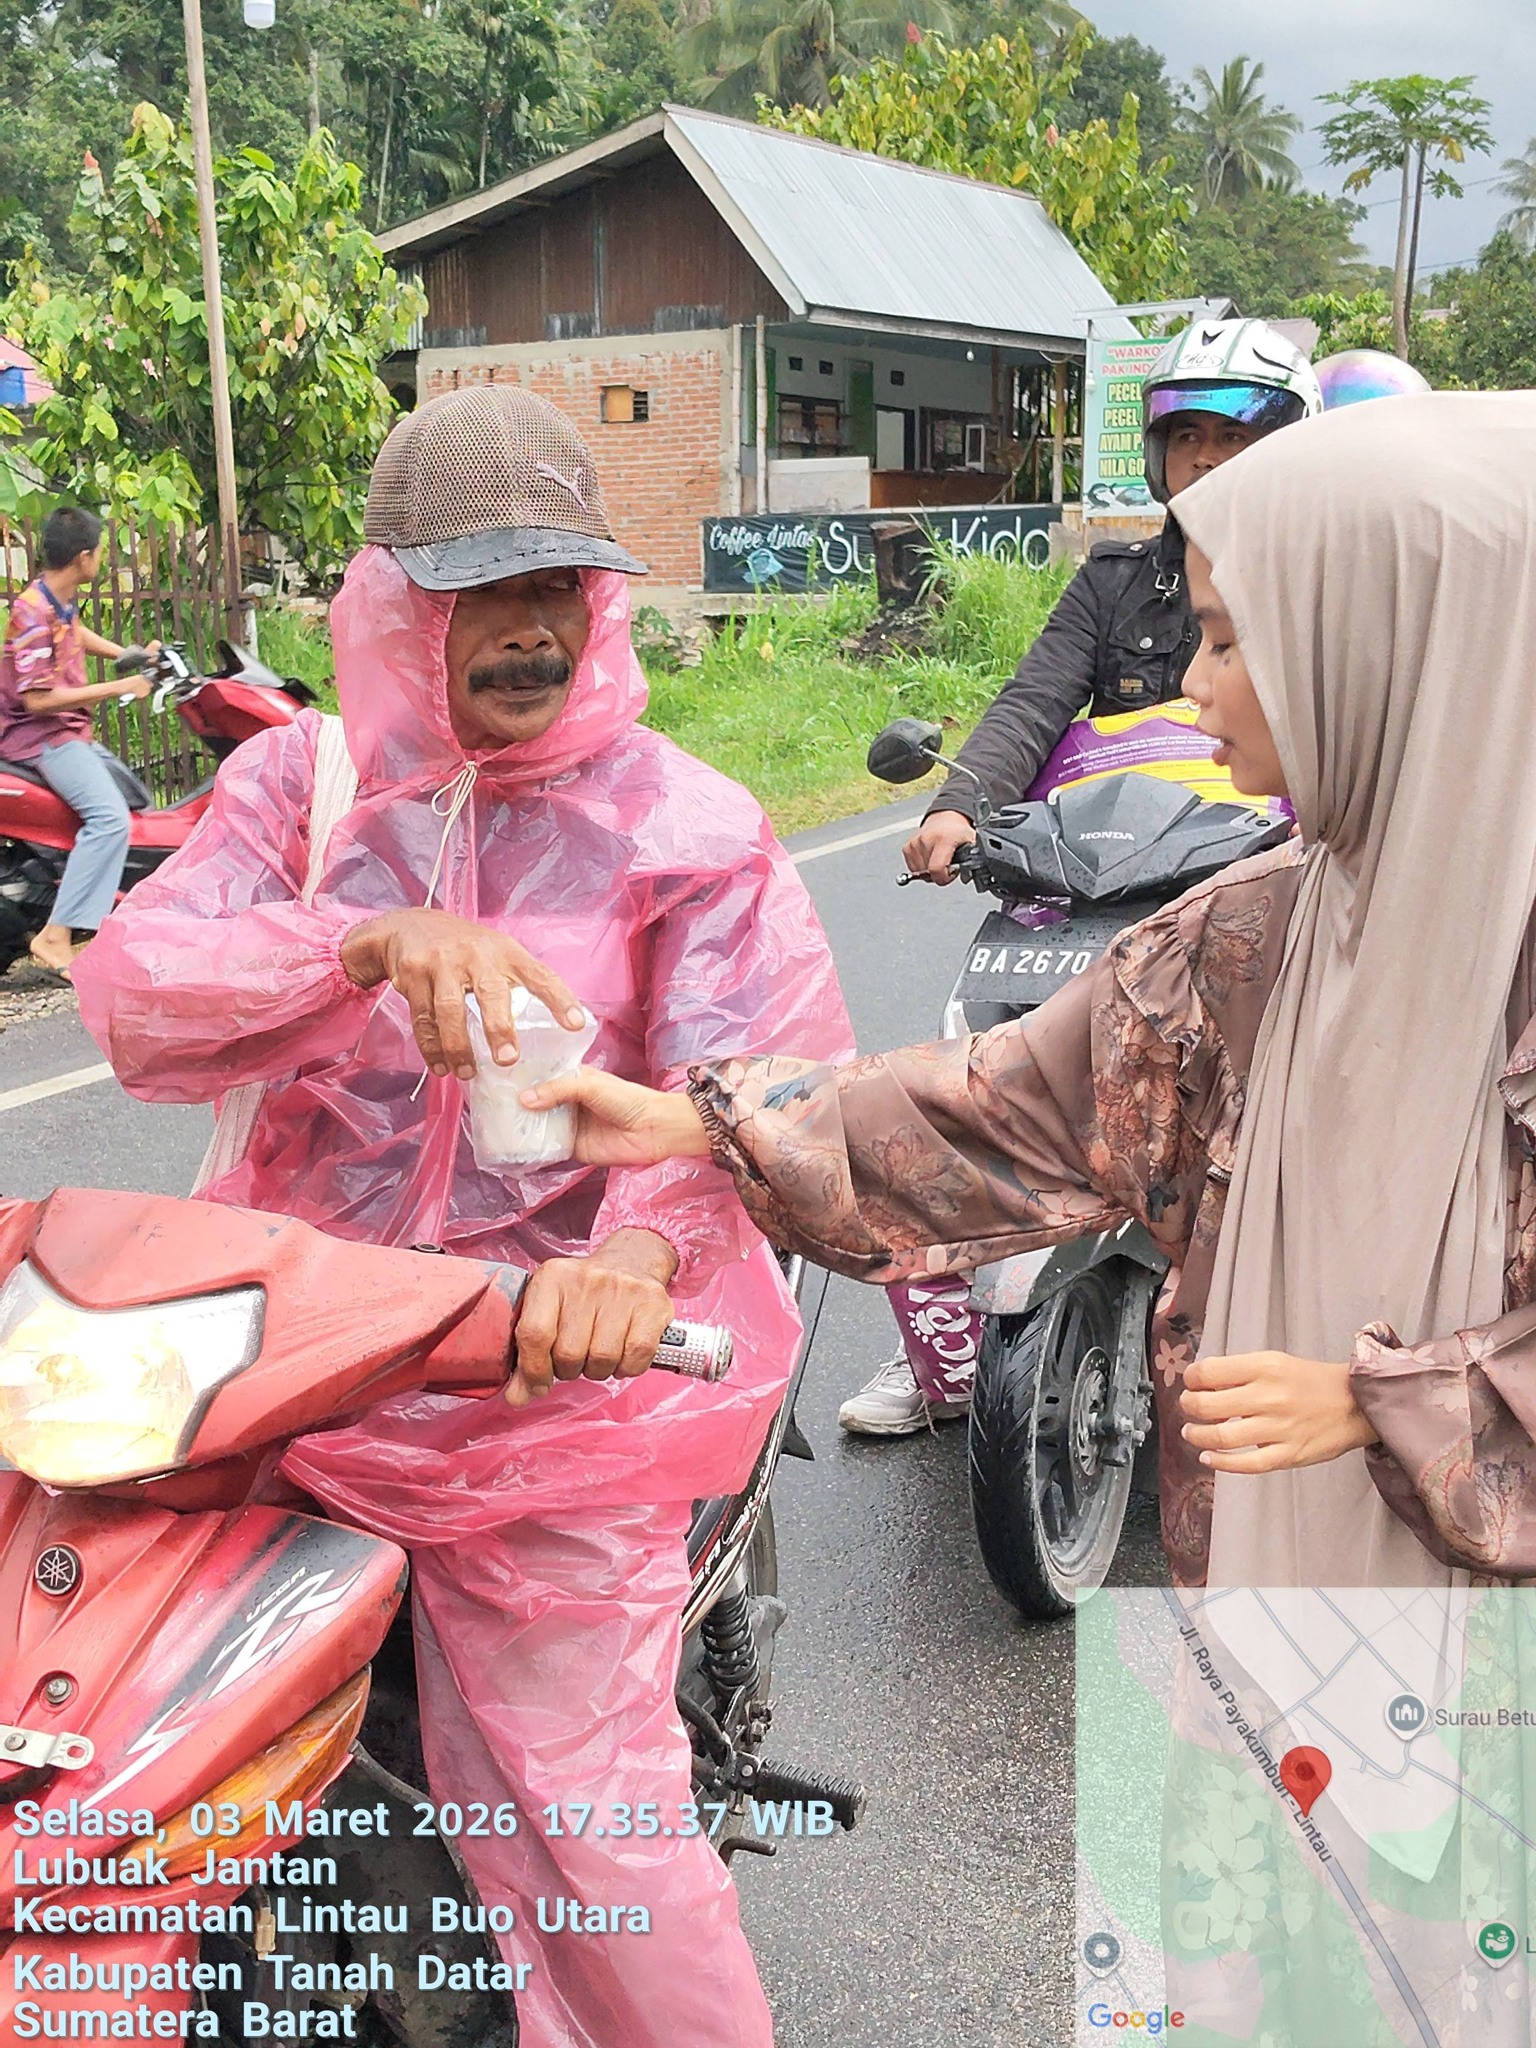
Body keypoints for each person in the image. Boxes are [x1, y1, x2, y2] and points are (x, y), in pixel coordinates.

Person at [73, 385, 853, 2048]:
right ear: (390, 607)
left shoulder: (692, 832)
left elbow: (751, 1100)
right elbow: (138, 998)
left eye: (553, 587)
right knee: (90, 1707)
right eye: (476, 591)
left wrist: (628, 1257)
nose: (525, 629)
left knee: (593, 1820)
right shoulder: (302, 790)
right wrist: (356, 947)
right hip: (293, 1362)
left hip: (550, 1394)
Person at [527, 391, 1536, 1593]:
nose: (1195, 690)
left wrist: (1389, 1401)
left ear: (1386, 642)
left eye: (1229, 641)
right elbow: (1014, 1102)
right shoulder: (1261, 929)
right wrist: (697, 1118)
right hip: (1283, 1610)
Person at [843, 317, 1323, 1438]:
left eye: (1237, 440)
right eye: (1188, 439)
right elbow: (1031, 703)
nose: (1208, 462)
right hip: (1097, 883)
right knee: (962, 1080)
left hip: (1248, 892)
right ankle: (941, 1346)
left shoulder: (1323, 589)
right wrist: (959, 806)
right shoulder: (1112, 583)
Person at [0, 504, 156, 975]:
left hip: (67, 731)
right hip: (40, 737)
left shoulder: (54, 598)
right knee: (110, 820)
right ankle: (57, 934)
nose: (101, 561)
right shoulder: (30, 611)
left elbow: (75, 632)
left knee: (134, 801)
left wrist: (128, 655)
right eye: (100, 554)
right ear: (84, 558)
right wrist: (118, 687)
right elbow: (38, 699)